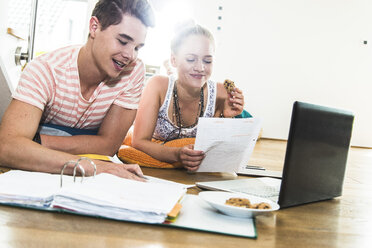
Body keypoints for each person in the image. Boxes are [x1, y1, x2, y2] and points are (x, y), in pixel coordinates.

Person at [0, 0, 155, 181]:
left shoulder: (134, 72)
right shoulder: (45, 70)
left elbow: (108, 146)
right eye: (122, 41)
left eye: (137, 47)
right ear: (94, 27)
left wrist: (35, 143)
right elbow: (7, 146)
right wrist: (90, 165)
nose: (130, 55)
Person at [132, 23, 244, 172]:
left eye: (207, 61)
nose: (200, 67)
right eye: (191, 59)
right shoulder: (157, 86)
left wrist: (227, 117)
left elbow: (219, 154)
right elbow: (139, 141)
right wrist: (177, 154)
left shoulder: (221, 92)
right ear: (173, 60)